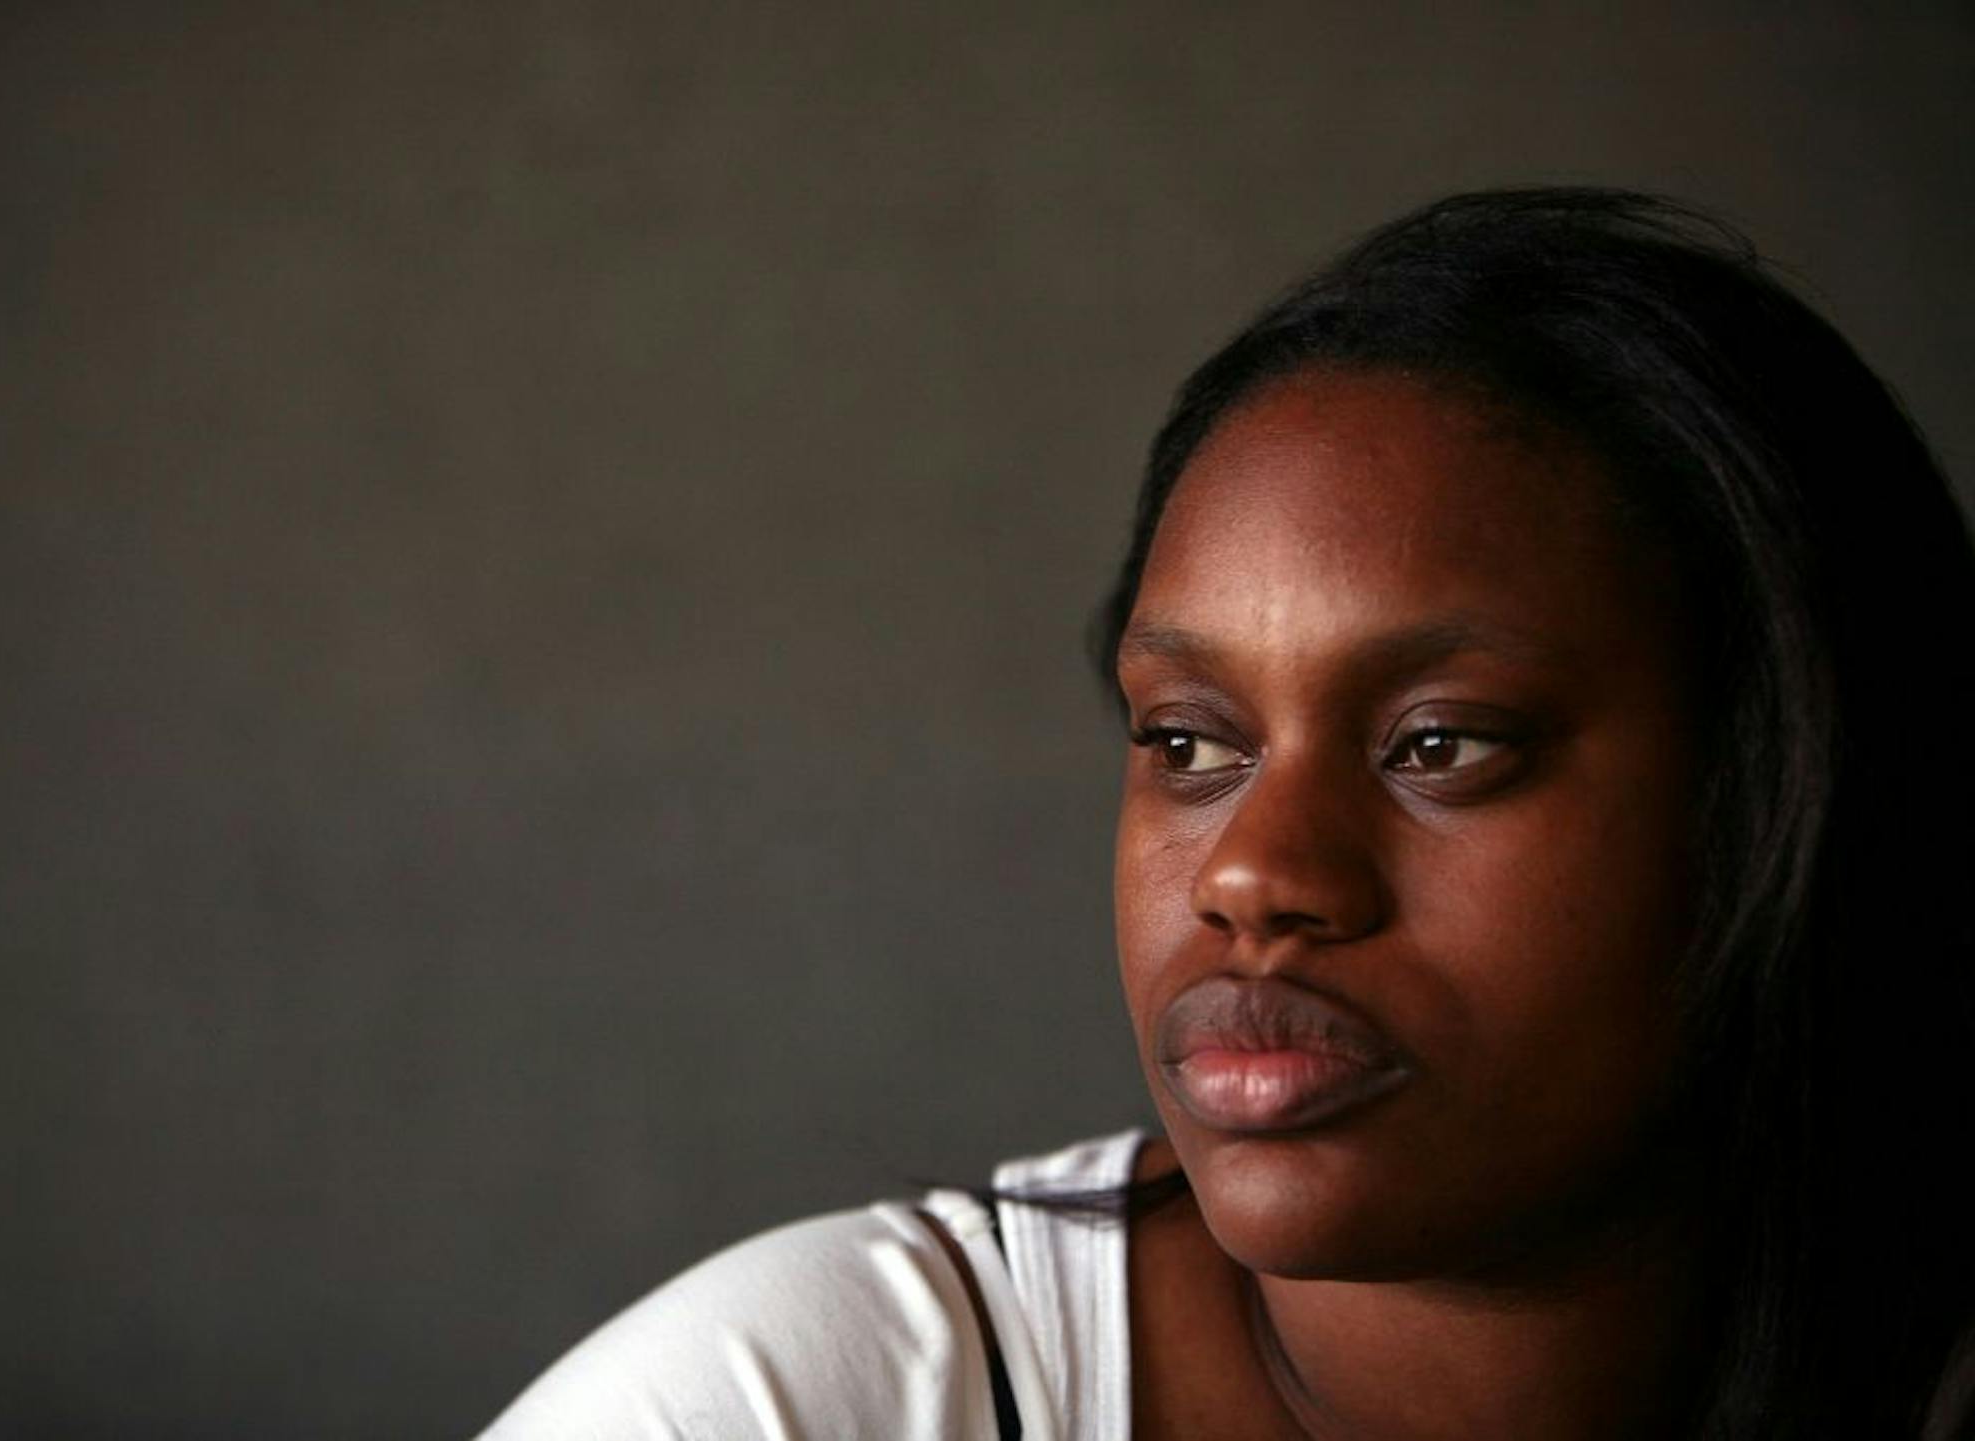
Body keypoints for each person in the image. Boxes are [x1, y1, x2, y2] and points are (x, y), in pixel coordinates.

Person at [480, 189, 1975, 1439]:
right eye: (1189, 741)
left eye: (1439, 742)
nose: (1253, 872)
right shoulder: (783, 1404)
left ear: (1801, 782)